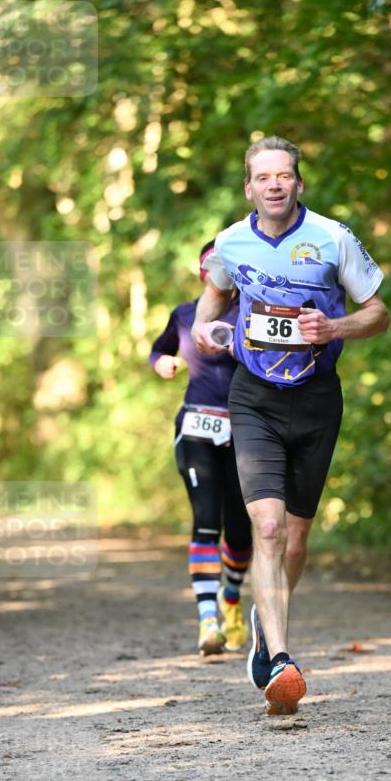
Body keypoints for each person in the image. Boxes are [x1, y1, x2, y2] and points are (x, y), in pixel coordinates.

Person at [192, 136, 389, 715]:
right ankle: (280, 658)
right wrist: (203, 328)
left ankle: (264, 618)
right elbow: (213, 297)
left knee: (297, 539)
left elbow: (379, 314)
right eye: (264, 177)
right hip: (254, 396)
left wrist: (334, 328)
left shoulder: (332, 237)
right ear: (249, 188)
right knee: (270, 528)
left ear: (298, 184)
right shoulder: (230, 242)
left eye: (284, 175)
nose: (274, 184)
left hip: (317, 398)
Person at [150, 242, 252, 655]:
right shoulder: (184, 315)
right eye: (213, 265)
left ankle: (231, 598)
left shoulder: (252, 312)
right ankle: (208, 620)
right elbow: (159, 349)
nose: (220, 271)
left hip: (245, 430)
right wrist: (161, 363)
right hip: (195, 426)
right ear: (201, 273)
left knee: (241, 532)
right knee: (206, 518)